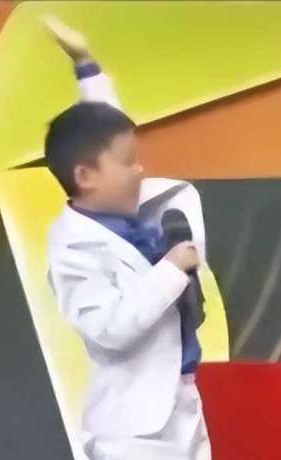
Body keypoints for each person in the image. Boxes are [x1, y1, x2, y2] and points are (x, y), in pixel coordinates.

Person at [44, 18, 211, 460]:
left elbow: (105, 126)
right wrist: (171, 271)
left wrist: (87, 65)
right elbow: (110, 328)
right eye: (128, 162)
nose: (139, 170)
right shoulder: (72, 249)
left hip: (183, 402)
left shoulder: (130, 206)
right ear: (86, 177)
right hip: (133, 429)